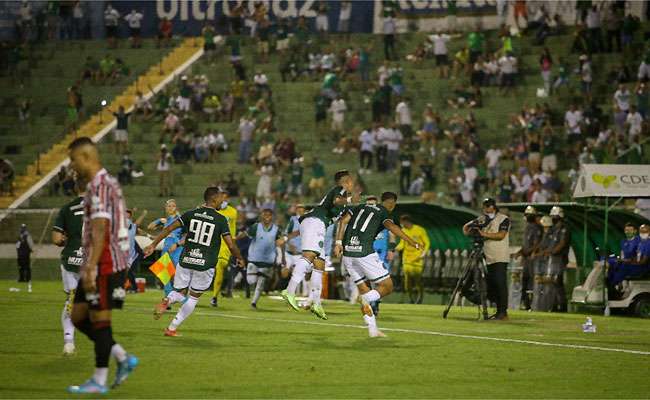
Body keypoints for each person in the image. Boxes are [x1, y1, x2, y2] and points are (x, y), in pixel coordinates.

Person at [65, 137, 137, 394]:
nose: (72, 166)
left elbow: (100, 227)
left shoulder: (101, 186)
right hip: (99, 260)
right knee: (77, 317)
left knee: (100, 320)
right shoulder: (102, 184)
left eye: (73, 160)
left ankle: (99, 379)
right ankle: (122, 357)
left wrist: (91, 267)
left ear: (85, 157)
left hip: (106, 263)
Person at [145, 187, 244, 336]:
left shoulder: (190, 214)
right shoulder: (221, 219)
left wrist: (153, 244)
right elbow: (230, 244)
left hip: (186, 260)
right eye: (220, 199)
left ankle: (167, 300)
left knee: (179, 292)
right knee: (193, 297)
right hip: (205, 263)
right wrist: (240, 258)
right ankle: (171, 328)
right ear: (214, 199)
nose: (222, 201)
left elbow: (169, 229)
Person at [334, 192, 420, 337]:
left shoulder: (359, 207)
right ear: (392, 203)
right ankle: (367, 298)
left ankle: (372, 330)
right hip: (364, 253)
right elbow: (392, 228)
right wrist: (412, 242)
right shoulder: (384, 212)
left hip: (348, 254)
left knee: (364, 290)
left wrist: (338, 242)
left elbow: (343, 221)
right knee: (387, 286)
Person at [281, 170, 355, 319]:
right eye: (349, 180)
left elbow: (342, 221)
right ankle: (289, 290)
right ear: (344, 182)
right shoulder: (339, 190)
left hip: (318, 225)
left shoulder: (346, 201)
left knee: (319, 265)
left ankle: (316, 303)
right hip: (315, 222)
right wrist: (350, 199)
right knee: (309, 255)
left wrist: (339, 242)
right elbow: (336, 201)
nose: (351, 183)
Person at [462, 198, 511, 320]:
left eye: (489, 206)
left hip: (499, 256)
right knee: (492, 284)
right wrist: (472, 226)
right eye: (485, 206)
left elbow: (501, 235)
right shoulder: (482, 219)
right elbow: (465, 229)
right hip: (487, 255)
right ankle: (496, 309)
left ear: (494, 206)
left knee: (500, 284)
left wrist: (483, 234)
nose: (487, 208)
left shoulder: (503, 218)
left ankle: (502, 312)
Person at [52, 182, 85, 356]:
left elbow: (57, 238)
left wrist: (68, 240)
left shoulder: (67, 208)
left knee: (70, 300)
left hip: (71, 259)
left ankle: (68, 341)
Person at [241, 209, 283, 308]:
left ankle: (253, 303)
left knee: (261, 283)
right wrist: (235, 238)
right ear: (262, 216)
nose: (267, 217)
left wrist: (281, 258)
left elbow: (280, 243)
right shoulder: (256, 227)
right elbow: (246, 234)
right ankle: (257, 274)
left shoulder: (276, 229)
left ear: (272, 217)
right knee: (251, 281)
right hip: (254, 258)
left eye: (269, 215)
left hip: (268, 260)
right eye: (265, 215)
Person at [147, 199, 183, 297]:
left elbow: (186, 234)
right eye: (169, 206)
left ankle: (181, 296)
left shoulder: (180, 219)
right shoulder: (166, 221)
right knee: (164, 273)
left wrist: (178, 244)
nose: (171, 208)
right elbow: (150, 227)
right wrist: (159, 220)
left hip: (176, 248)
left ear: (176, 208)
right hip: (166, 247)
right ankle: (168, 297)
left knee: (177, 274)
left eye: (173, 206)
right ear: (166, 208)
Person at [210, 192, 238, 308]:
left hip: (225, 245)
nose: (222, 200)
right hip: (211, 242)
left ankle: (214, 296)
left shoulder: (232, 212)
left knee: (220, 266)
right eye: (221, 197)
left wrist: (233, 247)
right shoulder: (213, 210)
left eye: (225, 198)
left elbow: (233, 230)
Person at [395, 214, 430, 304]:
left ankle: (420, 296)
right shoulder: (403, 231)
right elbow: (402, 244)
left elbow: (427, 243)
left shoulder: (420, 230)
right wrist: (394, 248)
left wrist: (424, 253)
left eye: (402, 223)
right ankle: (411, 298)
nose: (401, 225)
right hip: (407, 260)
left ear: (406, 222)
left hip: (418, 259)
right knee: (407, 282)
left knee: (417, 280)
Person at [514, 206, 542, 310]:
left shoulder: (536, 228)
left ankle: (531, 304)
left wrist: (526, 252)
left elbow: (537, 244)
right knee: (524, 281)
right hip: (526, 259)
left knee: (531, 282)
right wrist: (520, 252)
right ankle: (524, 303)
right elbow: (526, 245)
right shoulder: (527, 228)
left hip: (532, 259)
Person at [548, 206, 570, 312]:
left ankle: (562, 306)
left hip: (560, 259)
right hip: (554, 259)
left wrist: (552, 251)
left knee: (558, 282)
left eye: (554, 216)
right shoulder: (554, 229)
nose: (553, 218)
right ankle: (554, 305)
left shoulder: (564, 229)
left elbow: (562, 243)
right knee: (553, 282)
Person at [125, 209, 148, 294]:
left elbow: (137, 224)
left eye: (127, 215)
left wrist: (143, 215)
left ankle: (132, 287)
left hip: (130, 255)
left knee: (127, 272)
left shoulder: (133, 227)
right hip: (121, 254)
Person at [16, 224, 34, 292]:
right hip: (20, 254)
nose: (22, 229)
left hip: (25, 254)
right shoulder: (20, 236)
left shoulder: (27, 235)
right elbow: (18, 245)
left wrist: (31, 249)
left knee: (27, 267)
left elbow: (30, 244)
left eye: (23, 228)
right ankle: (21, 279)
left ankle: (28, 279)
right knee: (21, 267)